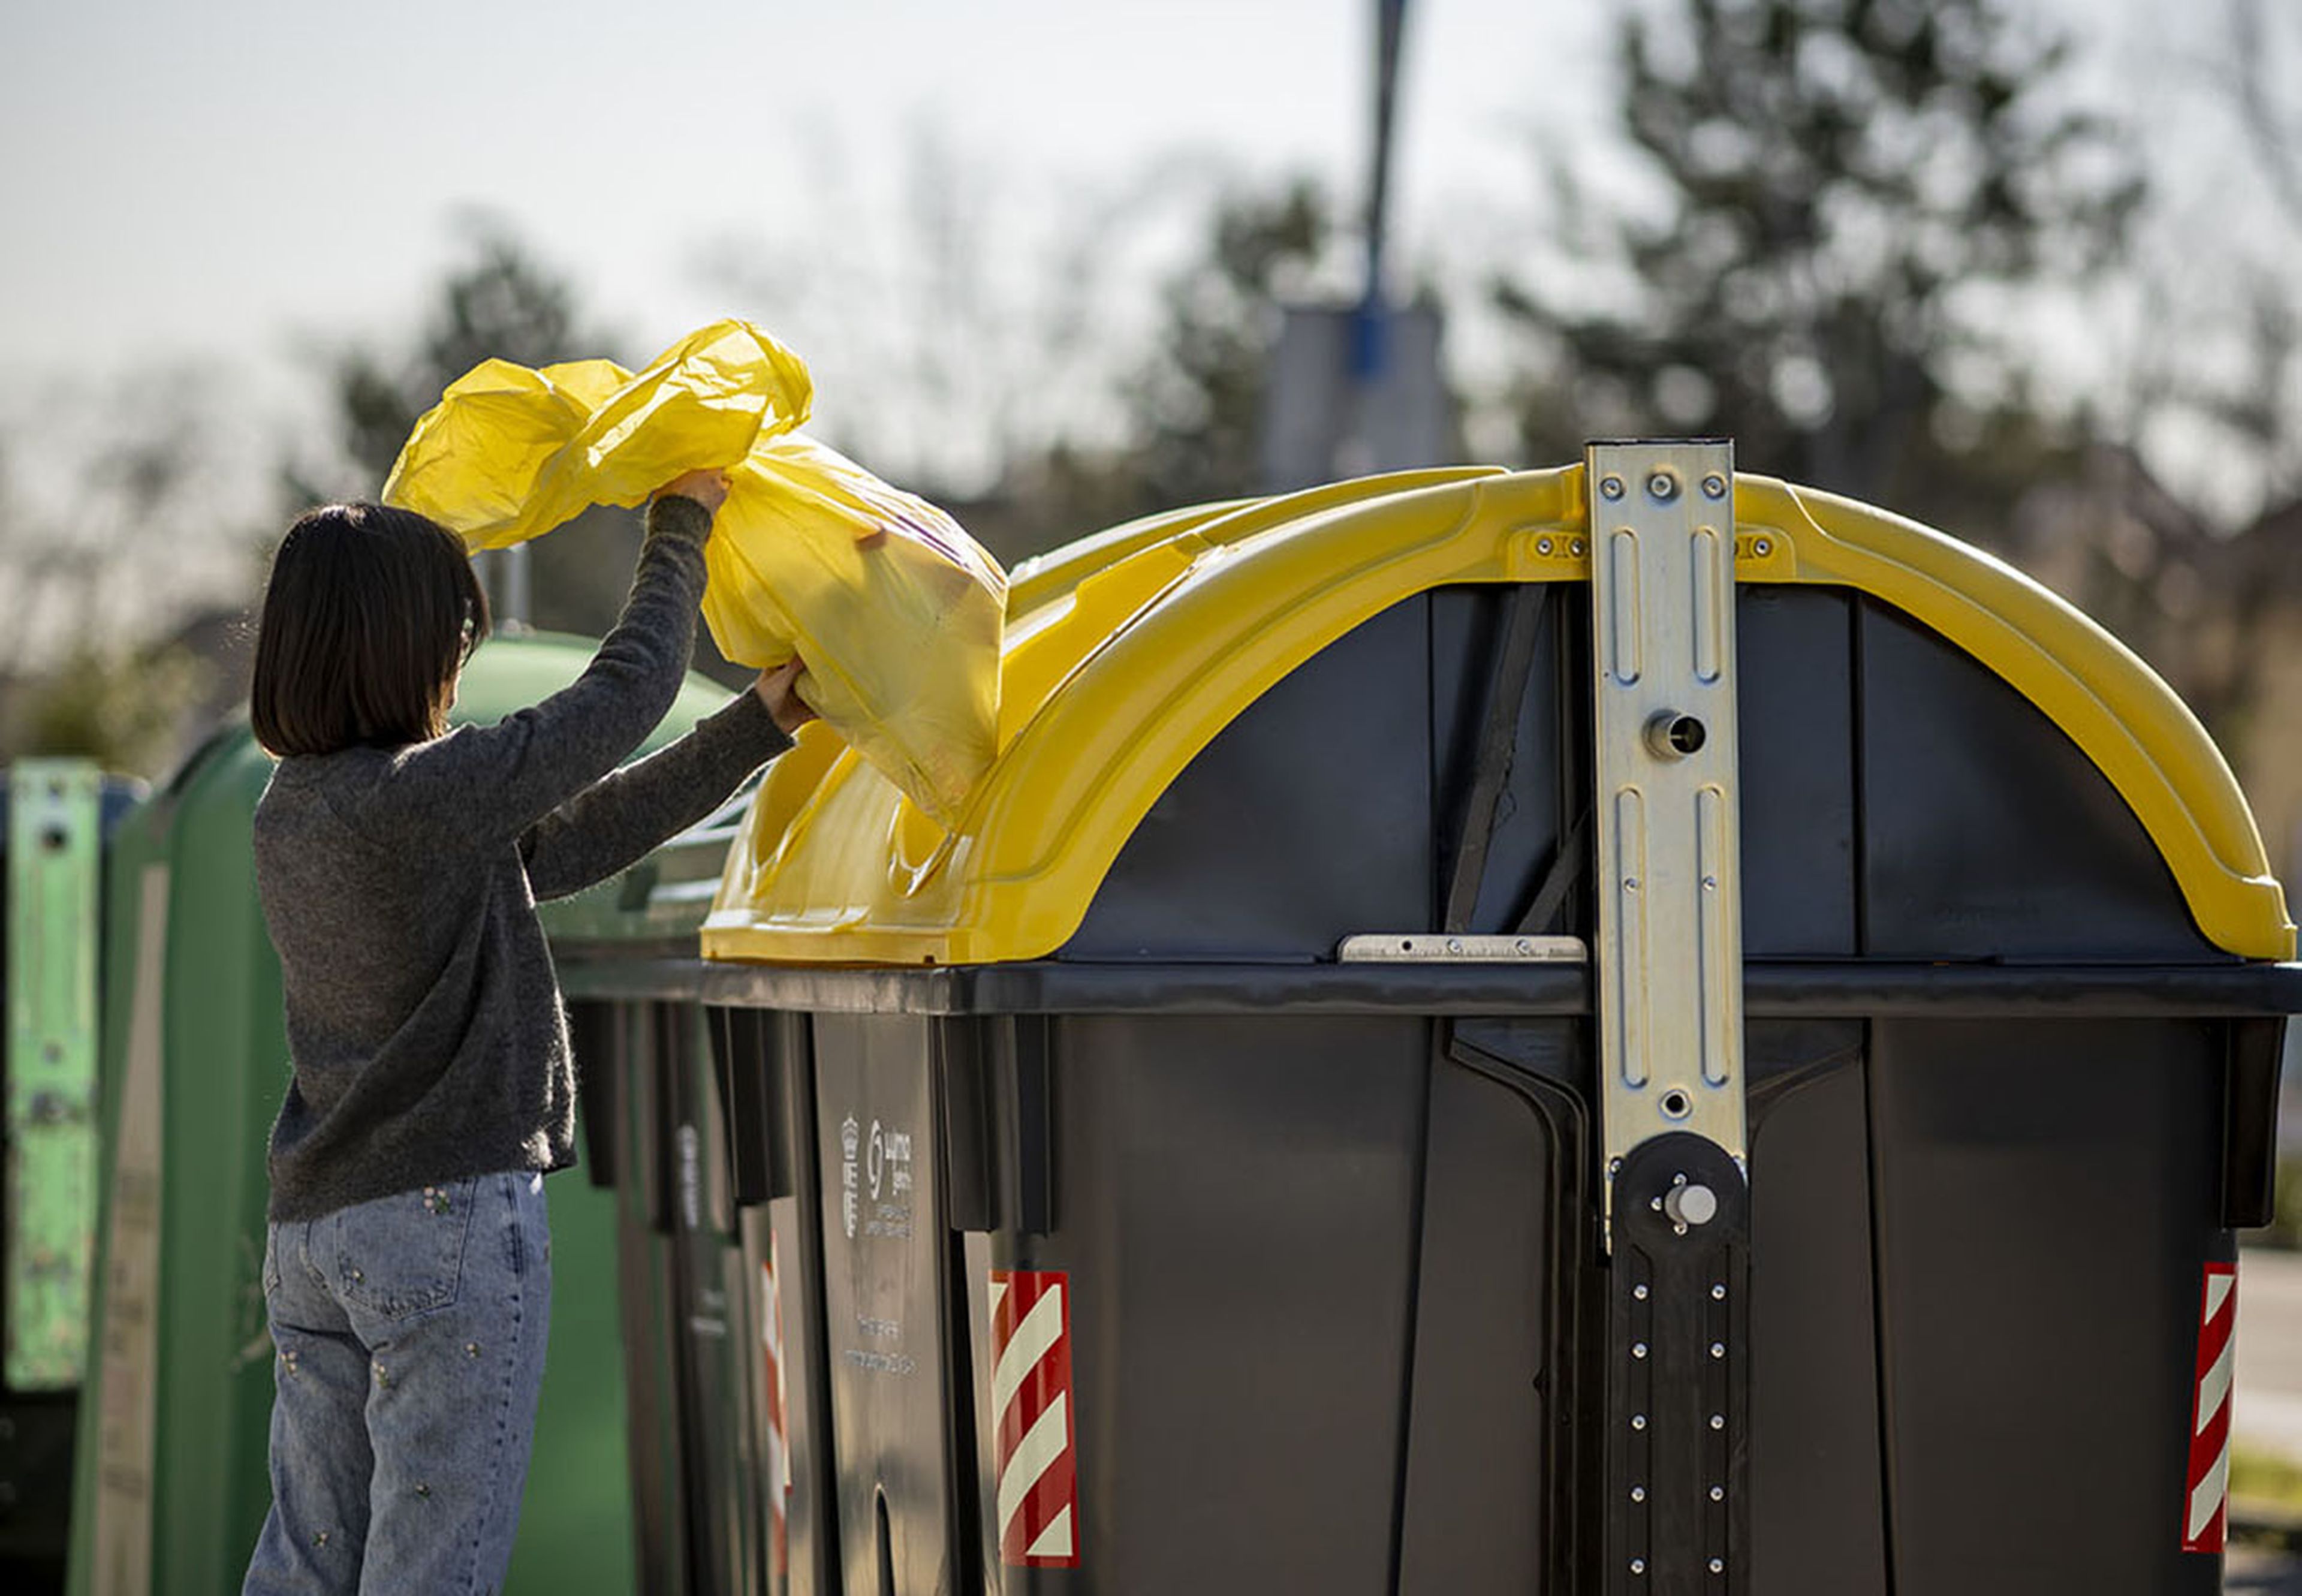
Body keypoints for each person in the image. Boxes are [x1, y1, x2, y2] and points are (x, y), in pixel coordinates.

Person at [239, 471, 807, 1595]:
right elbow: (627, 692)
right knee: (431, 1571)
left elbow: (571, 843)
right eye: (450, 637)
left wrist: (757, 725)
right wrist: (680, 522)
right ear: (397, 651)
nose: (457, 666)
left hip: (316, 1231)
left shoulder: (294, 812)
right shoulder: (414, 798)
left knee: (308, 1567)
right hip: (442, 1219)